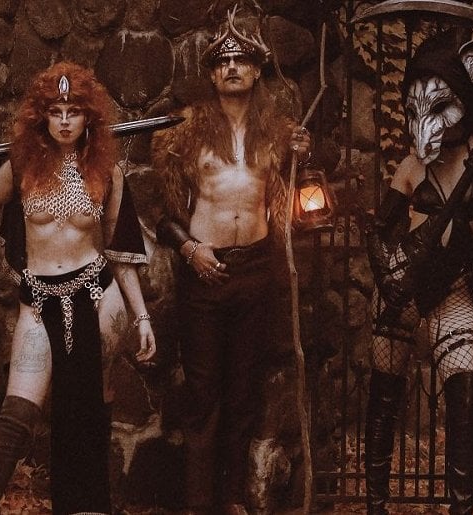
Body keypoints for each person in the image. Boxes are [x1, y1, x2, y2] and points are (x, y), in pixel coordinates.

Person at [0, 61, 157, 515]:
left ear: (87, 117)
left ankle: (88, 508)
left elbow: (120, 251)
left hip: (96, 296)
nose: (64, 121)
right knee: (18, 413)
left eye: (73, 112)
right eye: (55, 112)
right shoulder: (20, 166)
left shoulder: (108, 172)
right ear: (41, 117)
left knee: (89, 407)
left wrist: (141, 316)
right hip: (38, 302)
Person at [151, 8, 311, 514]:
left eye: (241, 60)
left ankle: (231, 498)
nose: (232, 68)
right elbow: (162, 213)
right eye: (222, 62)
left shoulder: (276, 132)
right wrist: (190, 250)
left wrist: (301, 153)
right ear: (212, 74)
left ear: (258, 70)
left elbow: (292, 193)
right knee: (204, 394)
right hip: (205, 272)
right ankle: (199, 503)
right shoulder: (186, 132)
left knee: (243, 393)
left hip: (255, 271)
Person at [363, 31, 473, 515]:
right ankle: (375, 504)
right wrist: (387, 278)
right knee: (384, 394)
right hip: (402, 286)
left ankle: (461, 509)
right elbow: (379, 229)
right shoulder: (411, 166)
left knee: (463, 398)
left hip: (455, 288)